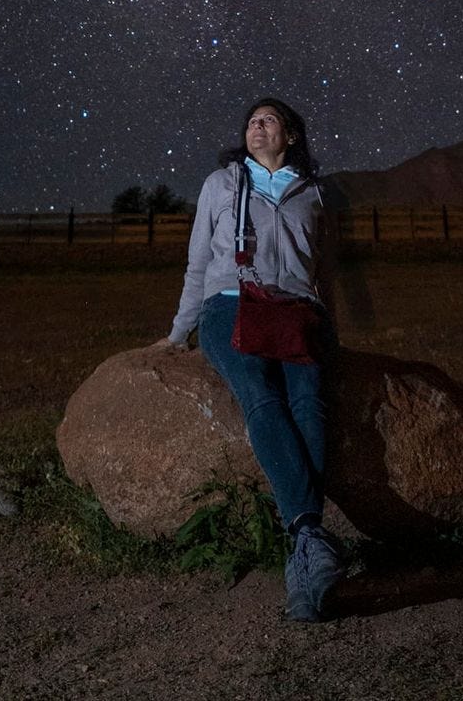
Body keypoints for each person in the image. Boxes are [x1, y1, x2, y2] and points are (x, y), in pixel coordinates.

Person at [157, 97, 344, 621]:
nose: (256, 127)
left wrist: (332, 332)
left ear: (290, 136)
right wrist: (178, 334)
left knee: (309, 402)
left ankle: (306, 551)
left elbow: (321, 274)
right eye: (251, 121)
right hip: (231, 304)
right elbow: (198, 262)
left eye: (269, 120)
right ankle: (310, 537)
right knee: (261, 397)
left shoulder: (314, 193)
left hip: (297, 311)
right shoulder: (223, 183)